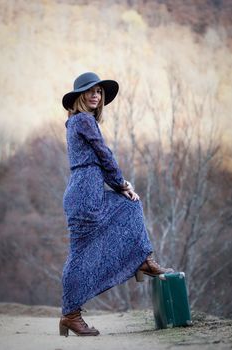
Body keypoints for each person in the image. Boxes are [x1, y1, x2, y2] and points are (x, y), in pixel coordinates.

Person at [59, 72, 174, 337]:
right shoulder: (84, 121)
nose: (95, 95)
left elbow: (100, 159)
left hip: (84, 190)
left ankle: (143, 259)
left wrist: (119, 185)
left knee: (128, 207)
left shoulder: (76, 122)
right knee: (81, 254)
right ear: (79, 97)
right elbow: (103, 154)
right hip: (85, 192)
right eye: (89, 91)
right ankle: (71, 314)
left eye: (98, 92)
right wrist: (121, 183)